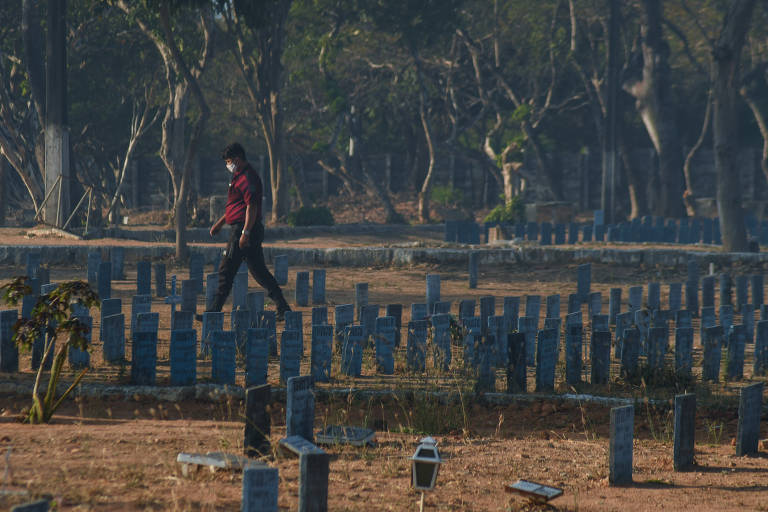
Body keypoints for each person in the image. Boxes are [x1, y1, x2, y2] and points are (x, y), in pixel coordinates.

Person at [205, 142, 291, 320]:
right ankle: (283, 307)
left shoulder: (248, 178)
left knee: (226, 269)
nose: (228, 165)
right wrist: (219, 224)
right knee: (259, 271)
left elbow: (251, 207)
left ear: (237, 159)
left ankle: (213, 312)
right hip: (242, 228)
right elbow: (236, 206)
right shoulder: (238, 176)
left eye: (229, 161)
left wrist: (245, 233)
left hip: (244, 230)